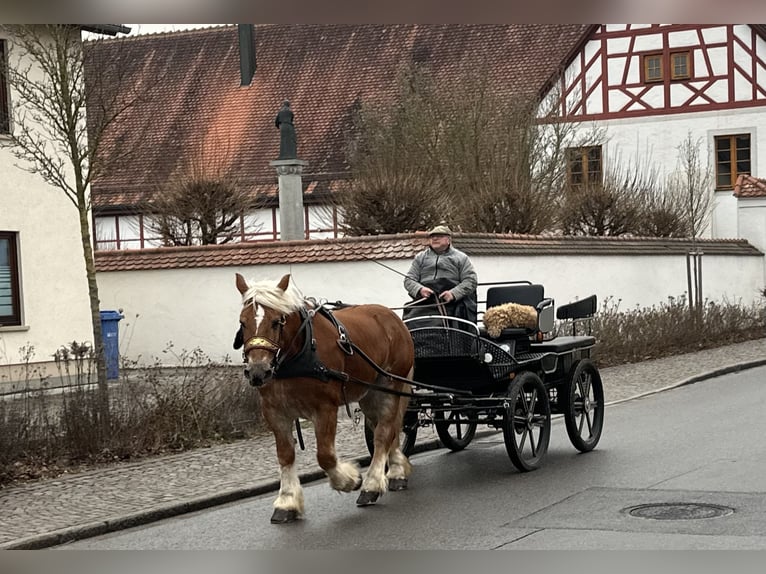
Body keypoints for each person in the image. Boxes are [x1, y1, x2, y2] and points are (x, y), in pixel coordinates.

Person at [403, 224, 478, 325]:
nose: (435, 238)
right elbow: (409, 280)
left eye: (439, 236)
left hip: (452, 303)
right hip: (426, 302)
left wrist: (453, 294)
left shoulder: (461, 258)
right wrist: (420, 289)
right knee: (409, 322)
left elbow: (471, 280)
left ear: (448, 240)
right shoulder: (420, 258)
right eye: (432, 236)